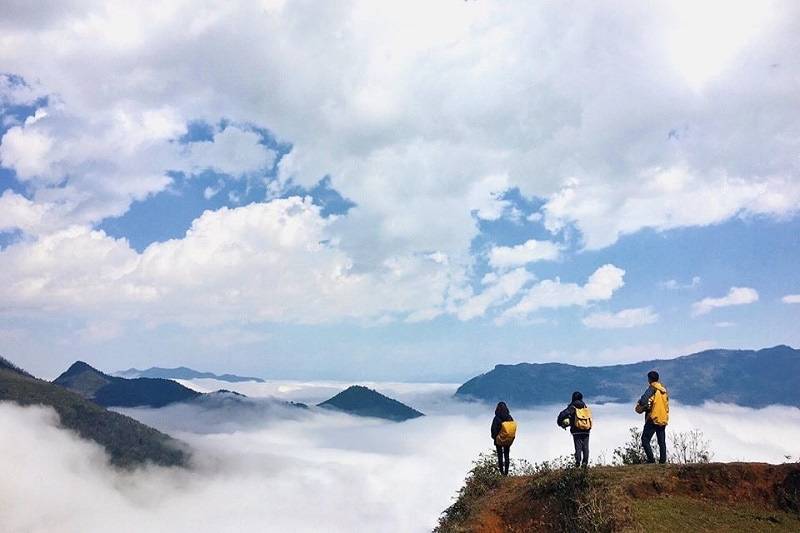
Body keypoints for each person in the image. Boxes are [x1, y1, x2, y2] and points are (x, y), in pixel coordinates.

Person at [635, 370, 669, 464]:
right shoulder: (663, 390)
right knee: (661, 441)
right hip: (663, 417)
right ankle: (662, 461)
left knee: (645, 440)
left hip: (653, 417)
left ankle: (651, 460)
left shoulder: (652, 388)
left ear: (650, 379)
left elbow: (644, 399)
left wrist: (641, 405)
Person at [557, 391, 592, 467]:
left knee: (578, 447)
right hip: (586, 430)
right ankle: (585, 463)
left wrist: (560, 423)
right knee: (585, 447)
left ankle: (577, 463)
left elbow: (563, 414)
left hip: (577, 430)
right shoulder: (585, 407)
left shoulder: (572, 407)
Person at [491, 401, 516, 476]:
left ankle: (502, 473)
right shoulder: (509, 417)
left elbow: (493, 429)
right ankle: (506, 473)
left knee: (500, 456)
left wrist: (494, 438)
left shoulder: (497, 418)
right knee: (507, 455)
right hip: (507, 439)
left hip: (498, 439)